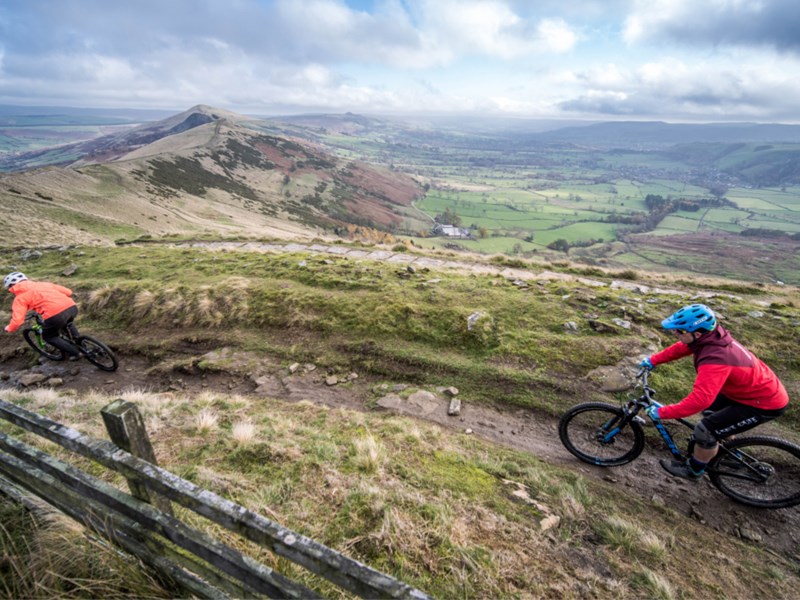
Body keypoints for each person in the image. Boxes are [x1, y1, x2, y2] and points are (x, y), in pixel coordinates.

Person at [639, 303, 789, 480]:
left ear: (697, 333)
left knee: (705, 430)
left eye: (680, 331)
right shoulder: (711, 337)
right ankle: (729, 455)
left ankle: (694, 470)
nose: (675, 334)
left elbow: (699, 400)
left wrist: (661, 413)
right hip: (748, 391)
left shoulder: (715, 359)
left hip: (764, 403)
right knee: (712, 413)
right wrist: (653, 360)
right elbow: (683, 347)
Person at [3, 271, 82, 360]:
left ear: (11, 286)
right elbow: (68, 292)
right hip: (72, 307)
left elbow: (17, 320)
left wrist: (9, 328)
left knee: (49, 336)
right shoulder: (43, 284)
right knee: (68, 323)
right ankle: (81, 343)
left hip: (55, 314)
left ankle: (75, 353)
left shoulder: (20, 298)